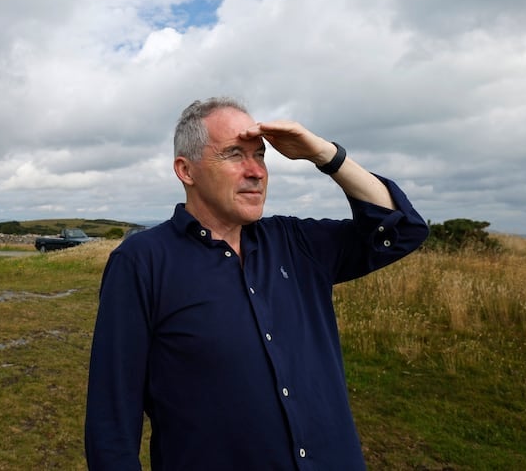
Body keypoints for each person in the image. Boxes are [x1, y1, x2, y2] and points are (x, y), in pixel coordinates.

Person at [84, 97, 429, 470]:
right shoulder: (142, 261)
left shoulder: (297, 243)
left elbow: (402, 229)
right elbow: (112, 424)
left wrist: (324, 155)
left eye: (260, 156)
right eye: (235, 154)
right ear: (186, 170)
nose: (257, 172)